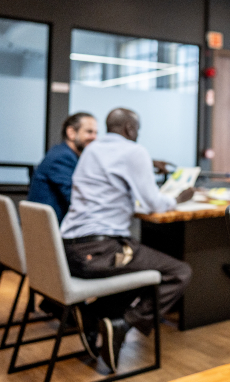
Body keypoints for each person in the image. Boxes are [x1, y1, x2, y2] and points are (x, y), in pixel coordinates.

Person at [60, 108, 193, 373]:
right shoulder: (135, 151)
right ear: (131, 130)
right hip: (101, 251)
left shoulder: (92, 150)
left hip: (69, 250)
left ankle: (93, 315)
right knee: (179, 272)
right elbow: (154, 203)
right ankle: (123, 324)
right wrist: (177, 199)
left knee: (144, 265)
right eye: (138, 129)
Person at [27, 112, 97, 223]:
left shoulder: (61, 152)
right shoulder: (62, 157)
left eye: (96, 133)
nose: (94, 137)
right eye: (89, 132)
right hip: (50, 230)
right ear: (71, 132)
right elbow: (76, 199)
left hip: (44, 227)